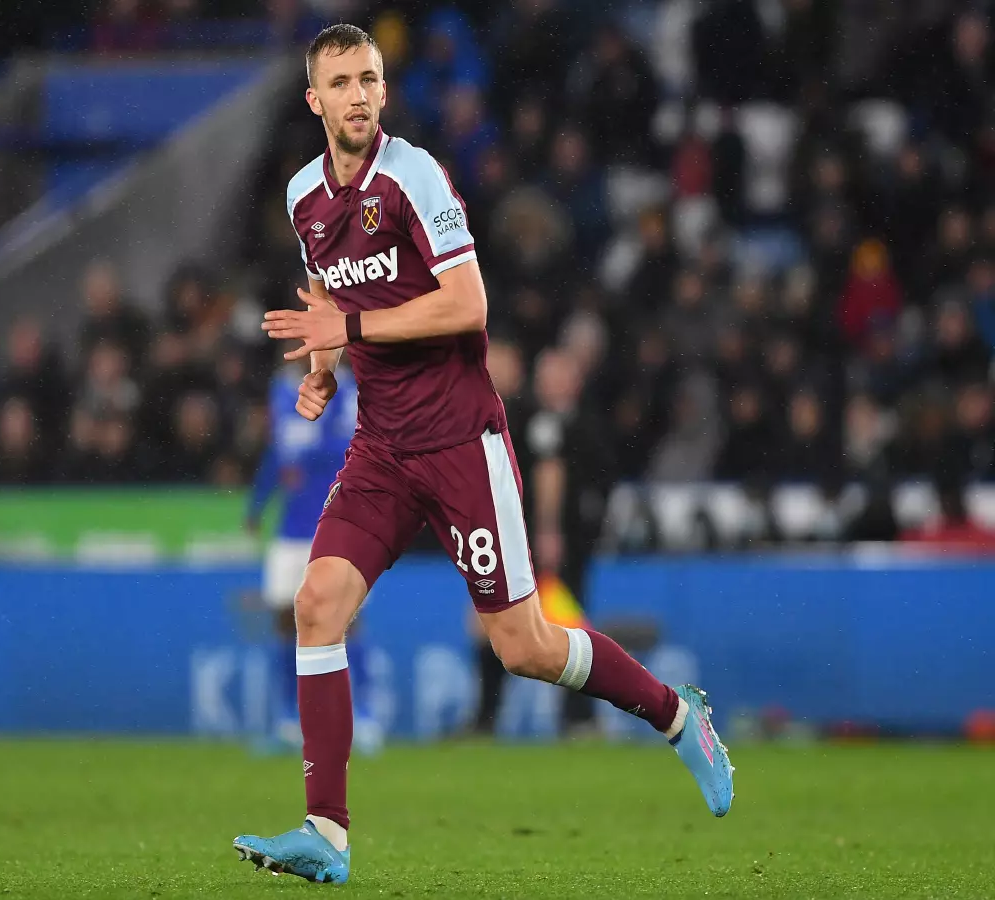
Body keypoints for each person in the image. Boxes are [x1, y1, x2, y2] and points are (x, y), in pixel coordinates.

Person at [232, 25, 734, 885]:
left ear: (383, 92)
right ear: (313, 100)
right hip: (382, 447)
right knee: (318, 604)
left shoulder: (415, 175)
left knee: (525, 647)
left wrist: (343, 332)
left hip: (463, 440)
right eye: (340, 82)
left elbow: (468, 305)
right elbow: (329, 287)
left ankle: (675, 716)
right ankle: (327, 830)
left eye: (369, 79)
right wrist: (322, 371)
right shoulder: (303, 195)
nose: (357, 95)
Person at [246, 358, 383, 755]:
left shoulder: (348, 389)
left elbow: (347, 449)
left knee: (347, 622)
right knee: (283, 623)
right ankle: (290, 720)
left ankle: (366, 717)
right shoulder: (281, 390)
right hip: (290, 529)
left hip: (337, 523)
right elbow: (277, 453)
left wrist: (303, 454)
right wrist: (258, 504)